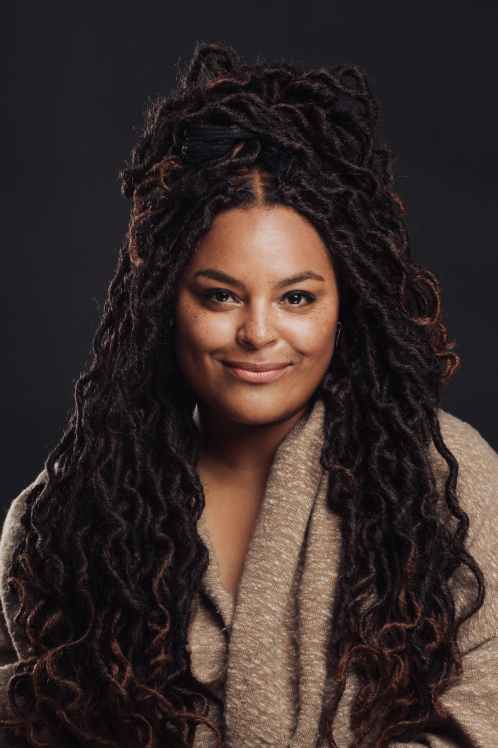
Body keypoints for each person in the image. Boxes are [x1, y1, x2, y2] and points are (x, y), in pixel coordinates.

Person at [0, 43, 497, 748]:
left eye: (296, 297)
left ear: (342, 305)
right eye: (221, 296)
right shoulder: (69, 518)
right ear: (165, 303)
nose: (258, 332)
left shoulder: (451, 479)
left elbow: (490, 710)